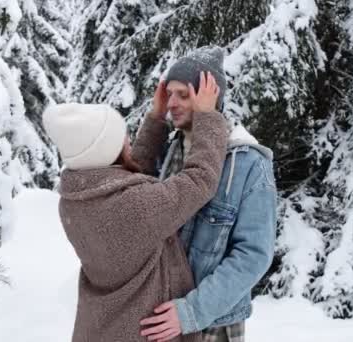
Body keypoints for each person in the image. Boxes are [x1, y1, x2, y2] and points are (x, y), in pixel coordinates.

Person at [43, 72, 227, 342]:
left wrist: (156, 118)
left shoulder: (74, 200)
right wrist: (208, 117)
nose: (128, 141)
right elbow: (200, 179)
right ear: (108, 150)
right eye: (123, 138)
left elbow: (124, 179)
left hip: (101, 331)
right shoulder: (135, 208)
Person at [140, 47, 277, 342]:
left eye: (184, 95)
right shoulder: (168, 150)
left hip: (212, 324)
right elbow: (131, 198)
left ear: (210, 99)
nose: (172, 103)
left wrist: (191, 312)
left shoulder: (249, 163)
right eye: (170, 93)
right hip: (162, 315)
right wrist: (154, 118)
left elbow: (253, 255)